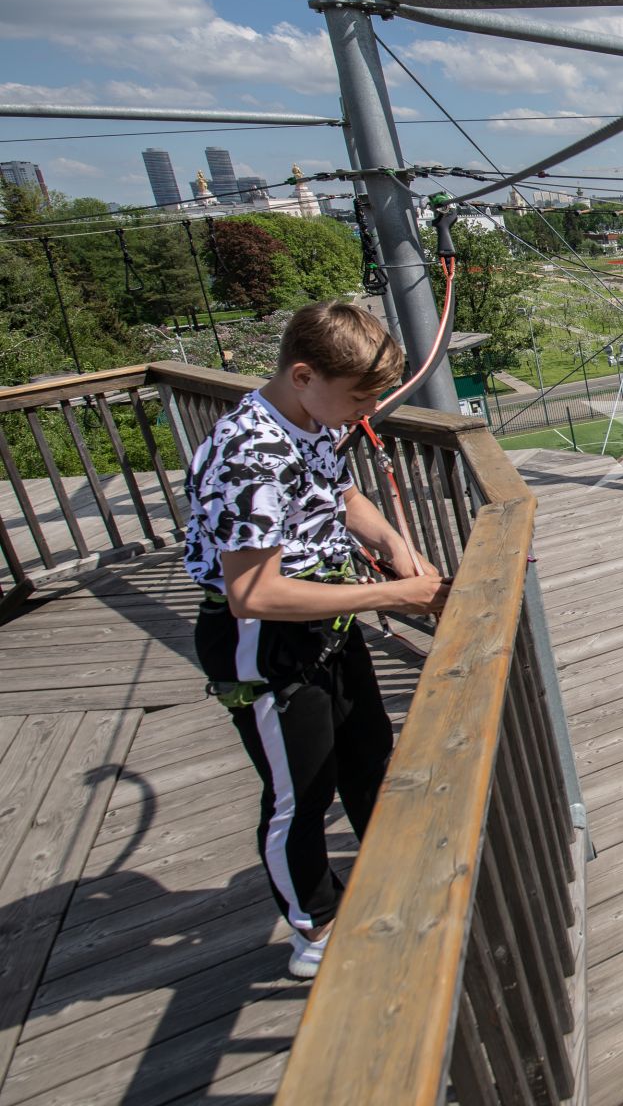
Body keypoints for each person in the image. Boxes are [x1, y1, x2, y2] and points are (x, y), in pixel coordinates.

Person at [184, 302, 451, 980]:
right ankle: (317, 925)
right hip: (264, 644)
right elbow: (253, 594)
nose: (365, 410)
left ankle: (394, 878)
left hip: (326, 620)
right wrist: (393, 595)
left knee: (367, 757)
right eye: (358, 396)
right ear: (303, 374)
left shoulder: (308, 419)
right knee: (299, 792)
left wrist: (392, 542)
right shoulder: (249, 454)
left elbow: (339, 495)